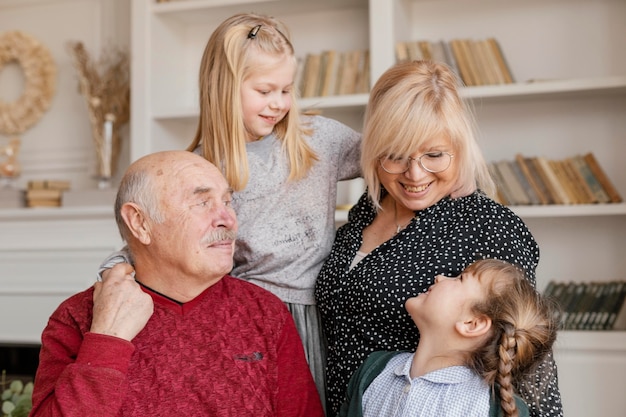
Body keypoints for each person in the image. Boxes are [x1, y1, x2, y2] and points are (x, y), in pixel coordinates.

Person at [97, 13, 361, 407]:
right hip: (243, 317)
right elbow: (157, 232)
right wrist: (115, 271)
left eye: (286, 90)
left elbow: (392, 161)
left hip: (319, 312)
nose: (278, 104)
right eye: (265, 90)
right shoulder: (201, 167)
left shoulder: (318, 139)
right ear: (224, 87)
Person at [315, 60, 563, 416]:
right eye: (396, 156)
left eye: (434, 155)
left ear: (459, 148)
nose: (415, 174)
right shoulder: (365, 212)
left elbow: (527, 368)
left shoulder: (488, 226)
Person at [30, 151, 324, 417]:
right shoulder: (76, 317)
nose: (227, 219)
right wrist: (108, 340)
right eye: (202, 202)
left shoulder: (264, 311)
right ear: (140, 223)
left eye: (227, 202)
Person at [337, 259, 560, 417]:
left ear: (472, 324)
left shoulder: (490, 408)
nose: (440, 276)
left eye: (460, 278)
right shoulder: (373, 371)